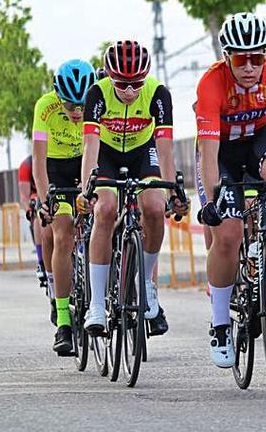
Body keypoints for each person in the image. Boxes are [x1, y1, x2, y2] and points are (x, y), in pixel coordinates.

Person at [196, 12, 266, 368]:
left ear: (265, 56)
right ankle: (219, 324)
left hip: (260, 139)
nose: (249, 67)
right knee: (228, 234)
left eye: (256, 58)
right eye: (241, 59)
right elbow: (209, 152)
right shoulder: (211, 84)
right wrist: (212, 200)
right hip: (224, 155)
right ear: (227, 57)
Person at [77, 40, 187, 338]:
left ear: (146, 77)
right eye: (121, 84)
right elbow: (90, 146)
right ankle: (97, 304)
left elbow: (165, 151)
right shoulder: (97, 93)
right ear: (109, 77)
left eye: (136, 83)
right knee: (106, 209)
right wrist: (87, 188)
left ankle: (147, 285)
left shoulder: (158, 94)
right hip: (107, 154)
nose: (128, 91)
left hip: (143, 152)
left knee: (153, 208)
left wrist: (173, 192)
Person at [31, 59, 96, 355]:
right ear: (58, 96)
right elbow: (39, 164)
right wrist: (46, 201)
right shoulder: (44, 107)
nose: (77, 112)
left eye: (81, 105)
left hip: (85, 164)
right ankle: (64, 322)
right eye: (70, 105)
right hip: (55, 169)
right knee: (63, 233)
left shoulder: (98, 102)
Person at [18, 154, 55, 324]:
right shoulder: (27, 165)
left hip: (60, 187)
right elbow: (24, 194)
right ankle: (41, 261)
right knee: (38, 212)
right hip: (38, 195)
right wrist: (28, 210)